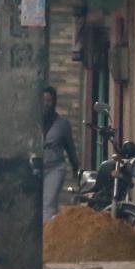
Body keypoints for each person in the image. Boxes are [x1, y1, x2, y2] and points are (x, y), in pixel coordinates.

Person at [42, 86, 80, 221]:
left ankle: (47, 236)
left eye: (49, 100)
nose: (46, 104)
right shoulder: (32, 121)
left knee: (48, 203)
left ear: (54, 102)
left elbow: (70, 147)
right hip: (34, 169)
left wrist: (75, 166)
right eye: (43, 100)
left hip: (54, 168)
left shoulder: (62, 124)